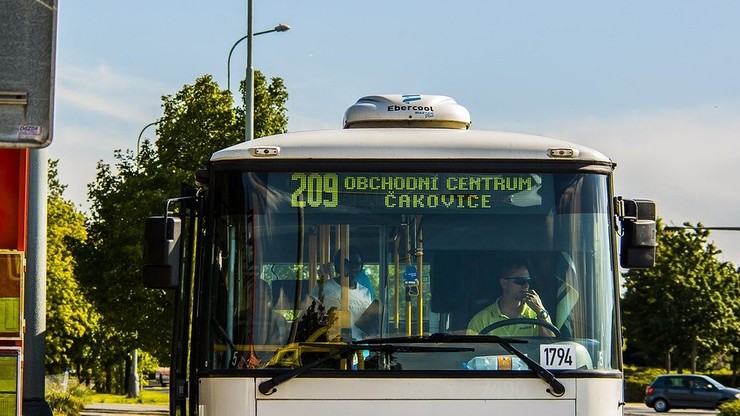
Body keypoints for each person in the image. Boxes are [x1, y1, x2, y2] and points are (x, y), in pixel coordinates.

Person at [466, 258, 554, 336]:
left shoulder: (538, 314)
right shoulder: (481, 319)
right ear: (503, 283)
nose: (526, 285)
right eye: (521, 281)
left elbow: (550, 346)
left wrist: (540, 311)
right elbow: (473, 351)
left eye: (528, 281)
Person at [308, 246, 375, 340]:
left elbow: (368, 323)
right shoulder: (323, 288)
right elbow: (308, 318)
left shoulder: (365, 292)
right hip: (334, 349)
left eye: (357, 263)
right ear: (339, 265)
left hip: (361, 349)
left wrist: (370, 331)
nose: (353, 267)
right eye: (348, 263)